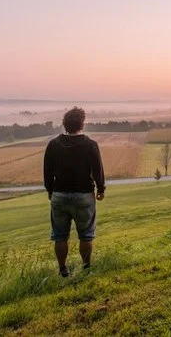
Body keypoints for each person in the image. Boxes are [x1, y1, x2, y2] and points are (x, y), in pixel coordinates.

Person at [43, 107, 105, 277]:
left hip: (59, 195)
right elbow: (97, 170)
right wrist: (100, 189)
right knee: (86, 236)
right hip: (84, 195)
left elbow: (47, 172)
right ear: (82, 124)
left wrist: (50, 191)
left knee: (60, 236)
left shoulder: (53, 144)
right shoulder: (90, 145)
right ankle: (86, 268)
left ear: (64, 124)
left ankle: (63, 271)